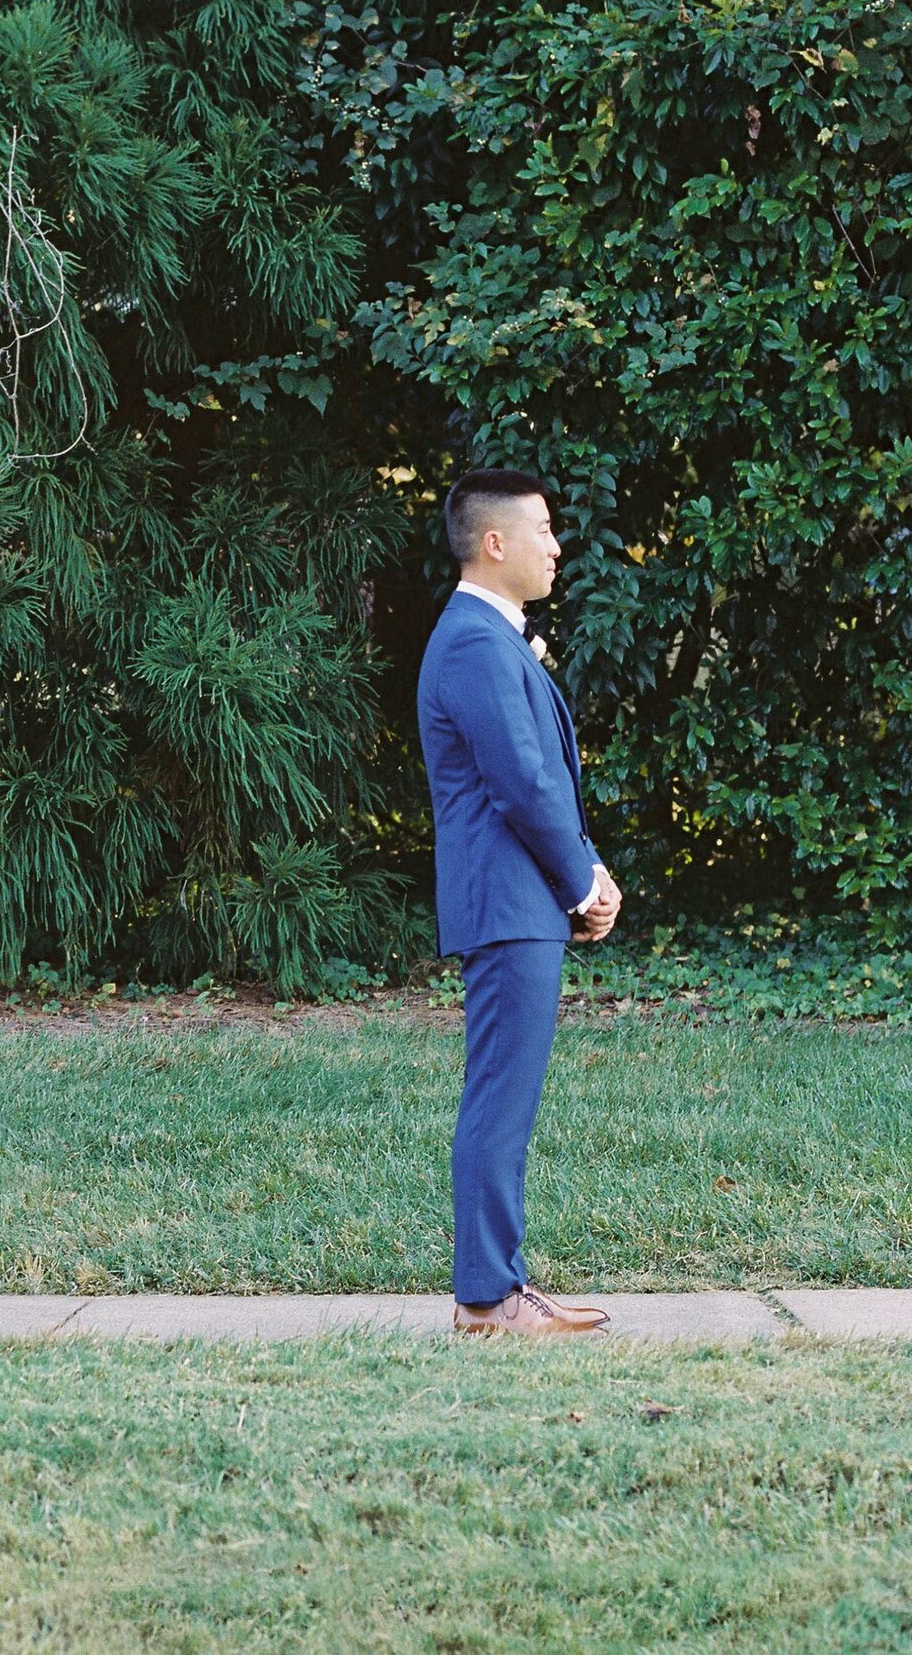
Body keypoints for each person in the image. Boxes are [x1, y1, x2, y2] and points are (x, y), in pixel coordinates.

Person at [416, 469, 622, 1337]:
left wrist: (587, 867)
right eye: (542, 529)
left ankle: (501, 1284)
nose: (556, 544)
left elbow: (538, 782)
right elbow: (519, 783)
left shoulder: (490, 637)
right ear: (493, 542)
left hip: (522, 900)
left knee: (508, 1097)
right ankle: (486, 1298)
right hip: (507, 904)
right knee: (499, 1099)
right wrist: (580, 881)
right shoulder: (471, 640)